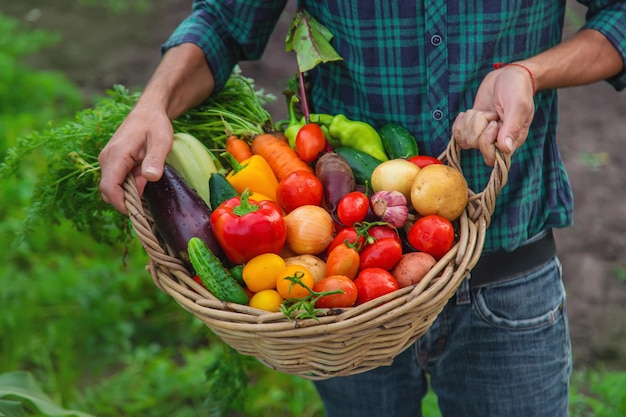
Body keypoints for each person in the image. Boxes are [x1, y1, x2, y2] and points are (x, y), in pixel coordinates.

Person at [98, 1, 626, 416]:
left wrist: (530, 72)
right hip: (340, 301)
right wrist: (152, 106)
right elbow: (223, 20)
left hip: (507, 266)